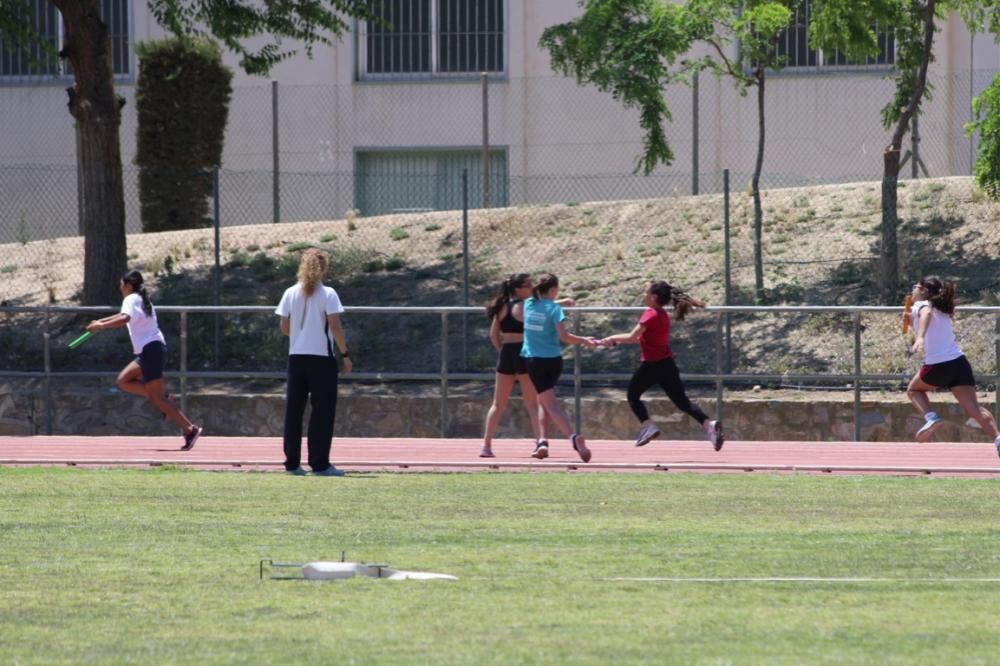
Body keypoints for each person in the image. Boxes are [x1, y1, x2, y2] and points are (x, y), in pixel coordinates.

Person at [600, 280, 723, 451]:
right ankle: (709, 424)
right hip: (667, 364)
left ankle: (648, 425)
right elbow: (641, 339)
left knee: (633, 395)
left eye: (646, 292)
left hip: (652, 365)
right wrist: (615, 341)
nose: (643, 295)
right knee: (682, 403)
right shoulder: (662, 314)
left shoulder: (650, 313)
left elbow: (632, 337)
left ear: (653, 297)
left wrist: (612, 338)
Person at [86, 269, 202, 450]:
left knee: (156, 400)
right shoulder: (139, 298)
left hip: (151, 351)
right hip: (150, 351)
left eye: (121, 285)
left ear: (128, 285)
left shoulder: (131, 299)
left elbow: (125, 318)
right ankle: (165, 398)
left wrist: (102, 326)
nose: (120, 288)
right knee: (123, 380)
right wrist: (100, 322)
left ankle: (190, 429)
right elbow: (120, 315)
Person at [275, 249, 353, 476]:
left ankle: (292, 463)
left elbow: (284, 327)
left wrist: (301, 337)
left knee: (294, 411)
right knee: (322, 411)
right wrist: (345, 354)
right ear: (324, 268)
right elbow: (335, 326)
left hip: (296, 358)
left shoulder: (290, 292)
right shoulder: (328, 293)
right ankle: (319, 463)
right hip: (321, 359)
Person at [905, 276, 1000, 455]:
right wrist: (912, 325)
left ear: (924, 290)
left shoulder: (921, 305)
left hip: (939, 363)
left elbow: (926, 314)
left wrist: (919, 337)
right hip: (959, 363)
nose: (912, 290)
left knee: (914, 390)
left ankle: (931, 418)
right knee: (973, 407)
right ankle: (998, 438)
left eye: (915, 286)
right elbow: (932, 327)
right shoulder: (943, 310)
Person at [520, 273, 597, 462]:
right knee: (544, 401)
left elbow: (542, 304)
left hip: (534, 361)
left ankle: (573, 437)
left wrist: (560, 302)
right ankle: (543, 441)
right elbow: (564, 335)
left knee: (549, 403)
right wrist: (583, 341)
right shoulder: (554, 309)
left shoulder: (528, 305)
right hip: (554, 361)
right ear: (553, 290)